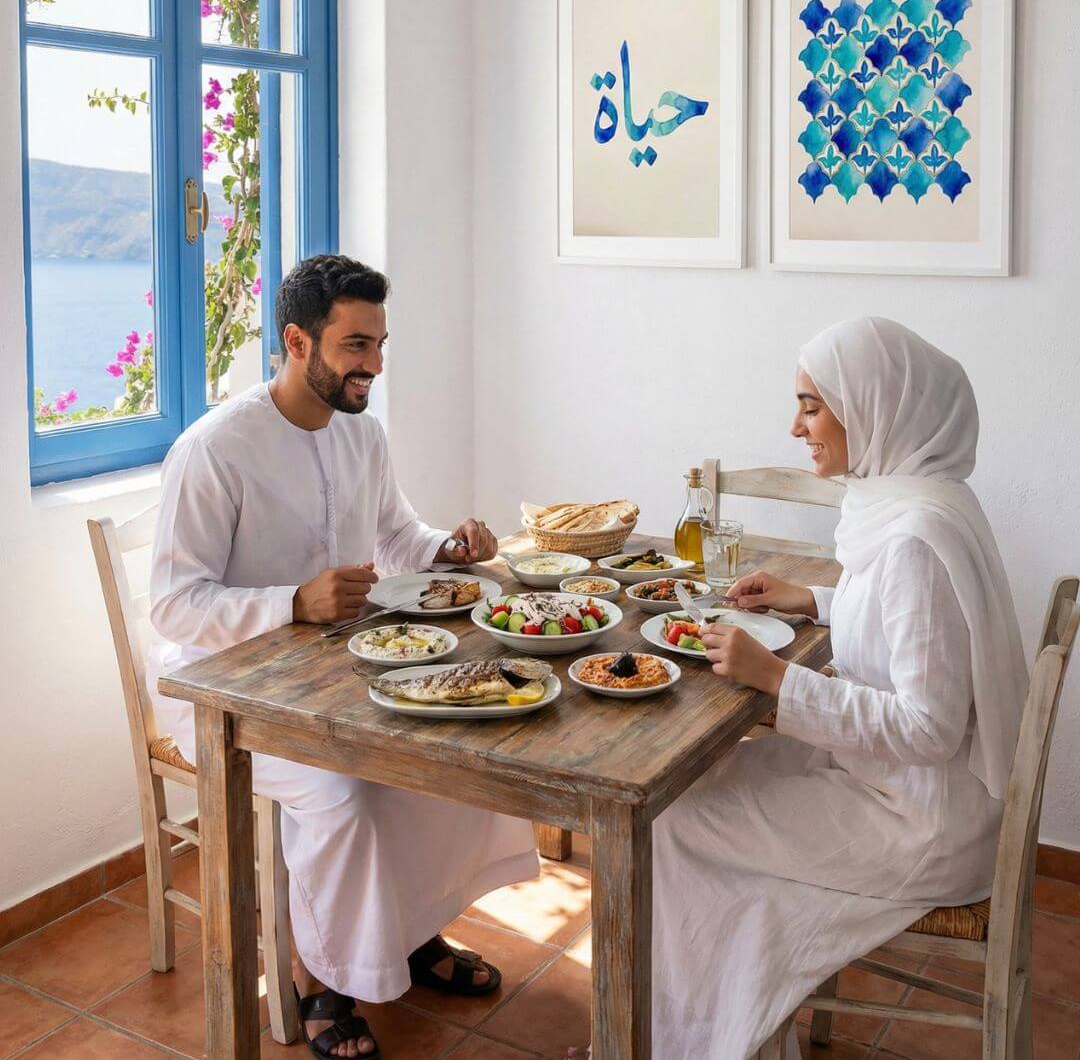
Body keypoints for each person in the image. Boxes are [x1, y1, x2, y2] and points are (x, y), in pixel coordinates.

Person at [570, 316, 1029, 1060]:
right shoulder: (922, 498)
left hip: (918, 824)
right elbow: (905, 631)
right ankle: (715, 1027)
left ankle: (666, 1039)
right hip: (912, 790)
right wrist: (813, 600)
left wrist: (778, 678)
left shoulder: (916, 539)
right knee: (694, 791)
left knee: (662, 821)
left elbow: (930, 727)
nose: (795, 425)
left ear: (874, 406)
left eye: (812, 405)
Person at [147, 254, 539, 1059]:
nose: (376, 366)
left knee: (453, 757)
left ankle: (408, 931)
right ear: (297, 341)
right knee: (348, 794)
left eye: (381, 344)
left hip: (336, 675)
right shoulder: (215, 449)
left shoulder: (362, 434)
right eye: (357, 345)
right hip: (223, 697)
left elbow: (397, 537)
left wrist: (450, 549)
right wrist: (292, 601)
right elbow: (173, 604)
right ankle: (319, 979)